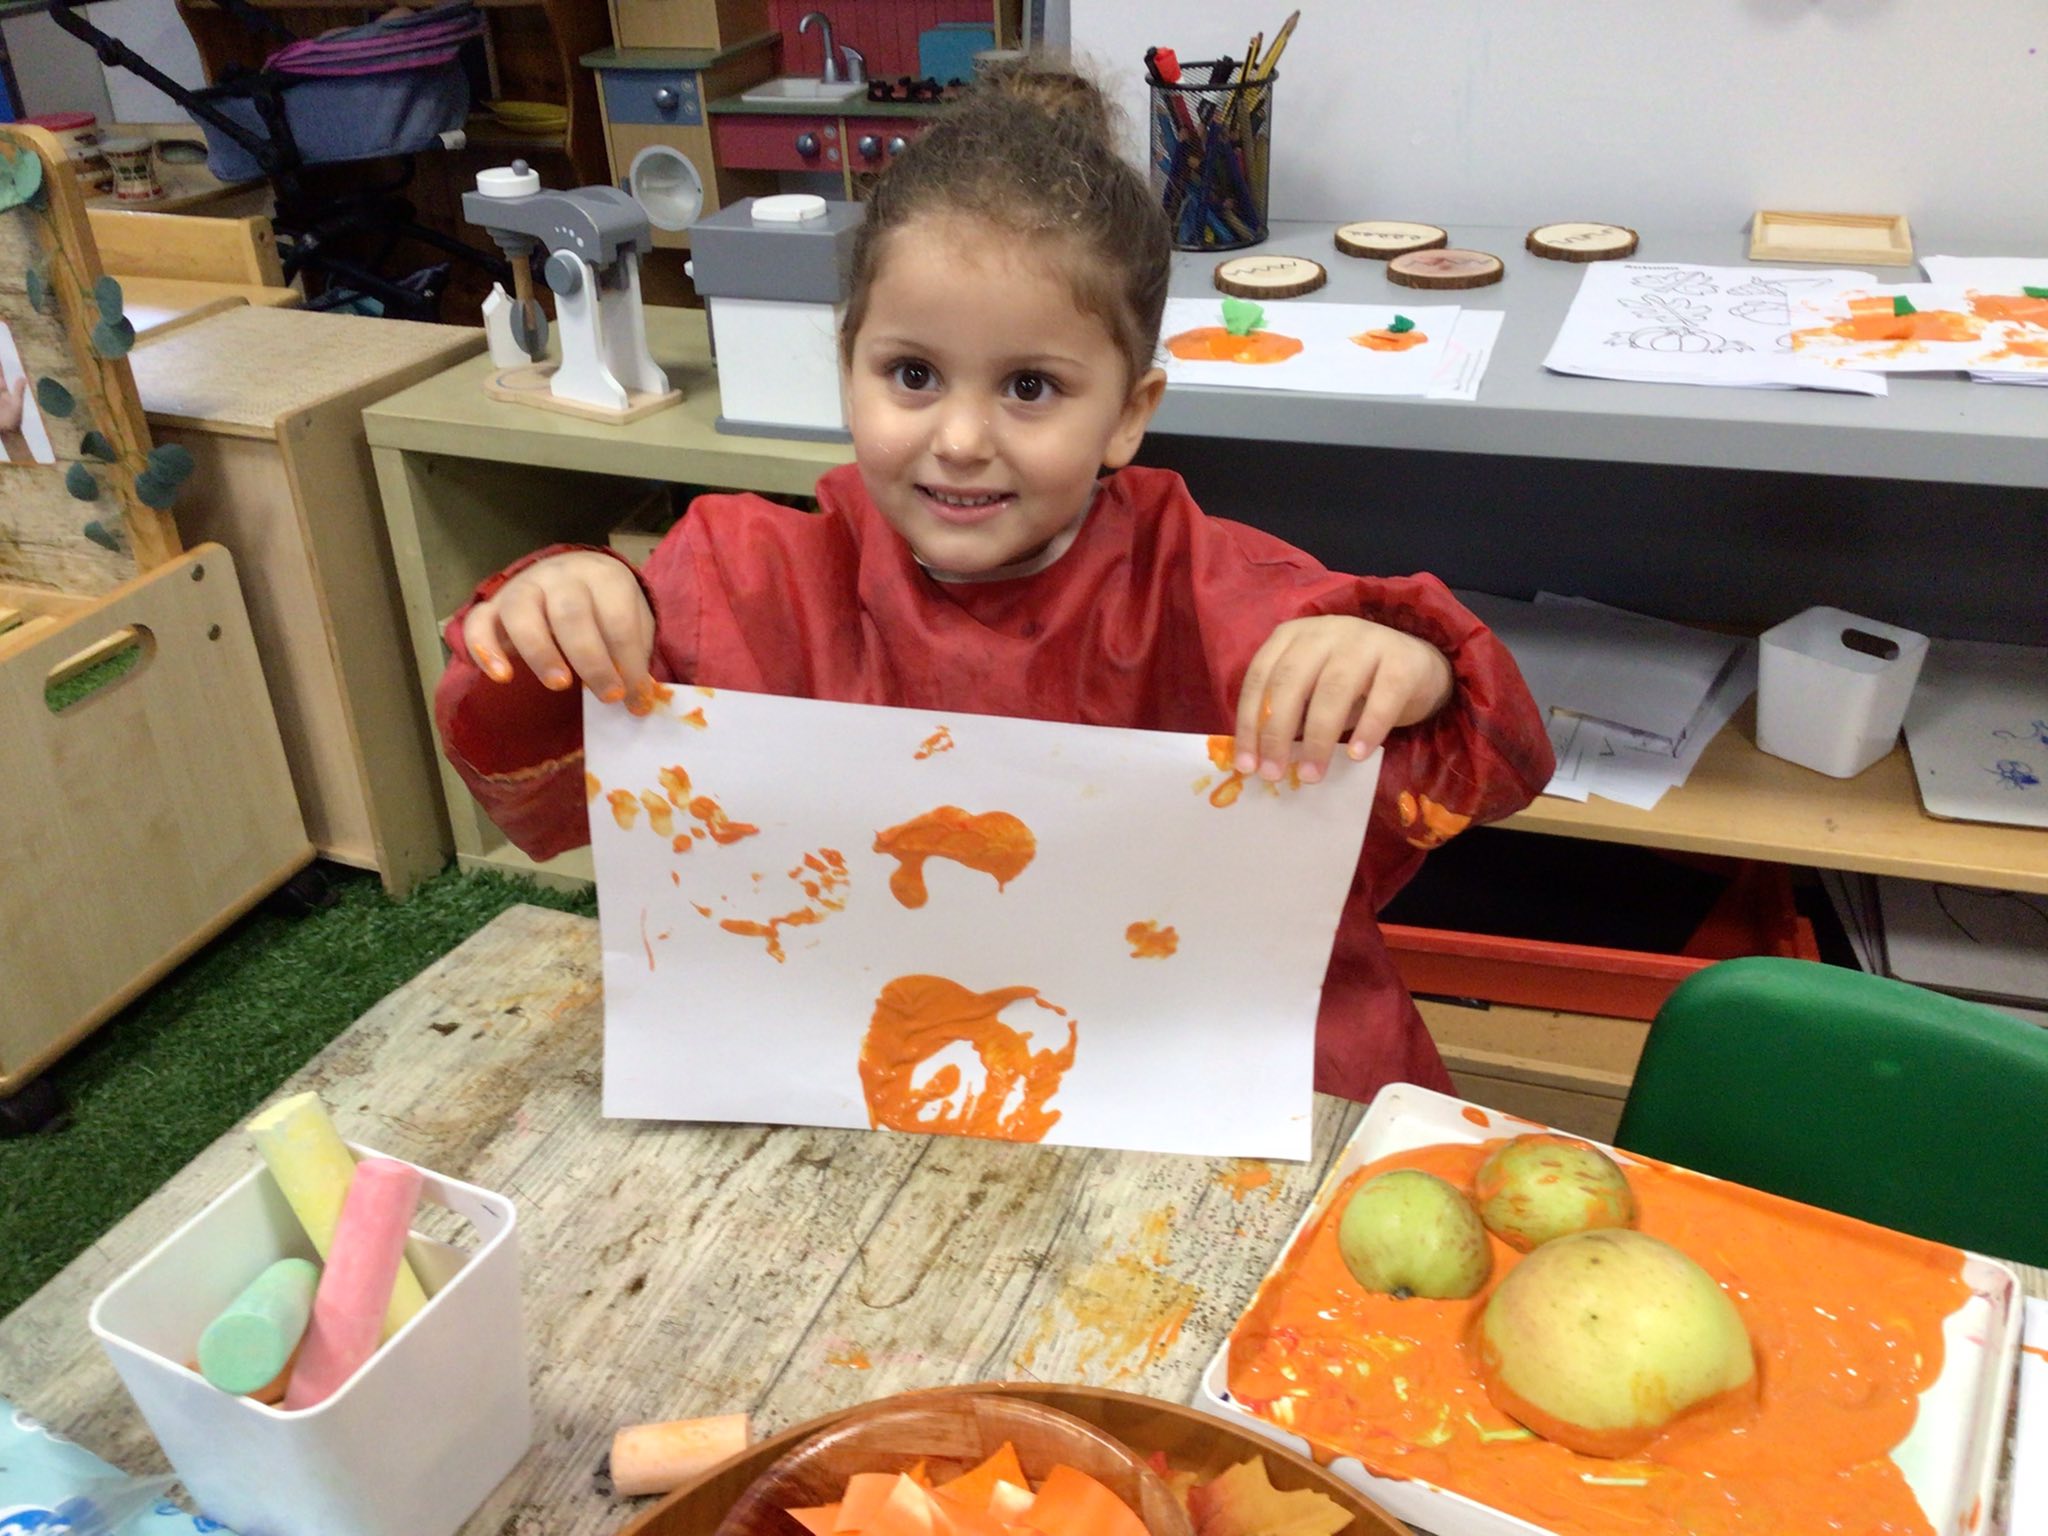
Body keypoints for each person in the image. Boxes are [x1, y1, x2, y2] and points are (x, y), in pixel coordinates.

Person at [436, 64, 1554, 1103]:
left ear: (1128, 414)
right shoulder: (745, 579)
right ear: (846, 369)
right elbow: (545, 758)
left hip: (1189, 1077)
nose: (961, 439)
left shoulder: (1214, 591)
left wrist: (1404, 667)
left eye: (1029, 388)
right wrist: (563, 605)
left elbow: (1481, 762)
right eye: (912, 374)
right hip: (860, 1079)